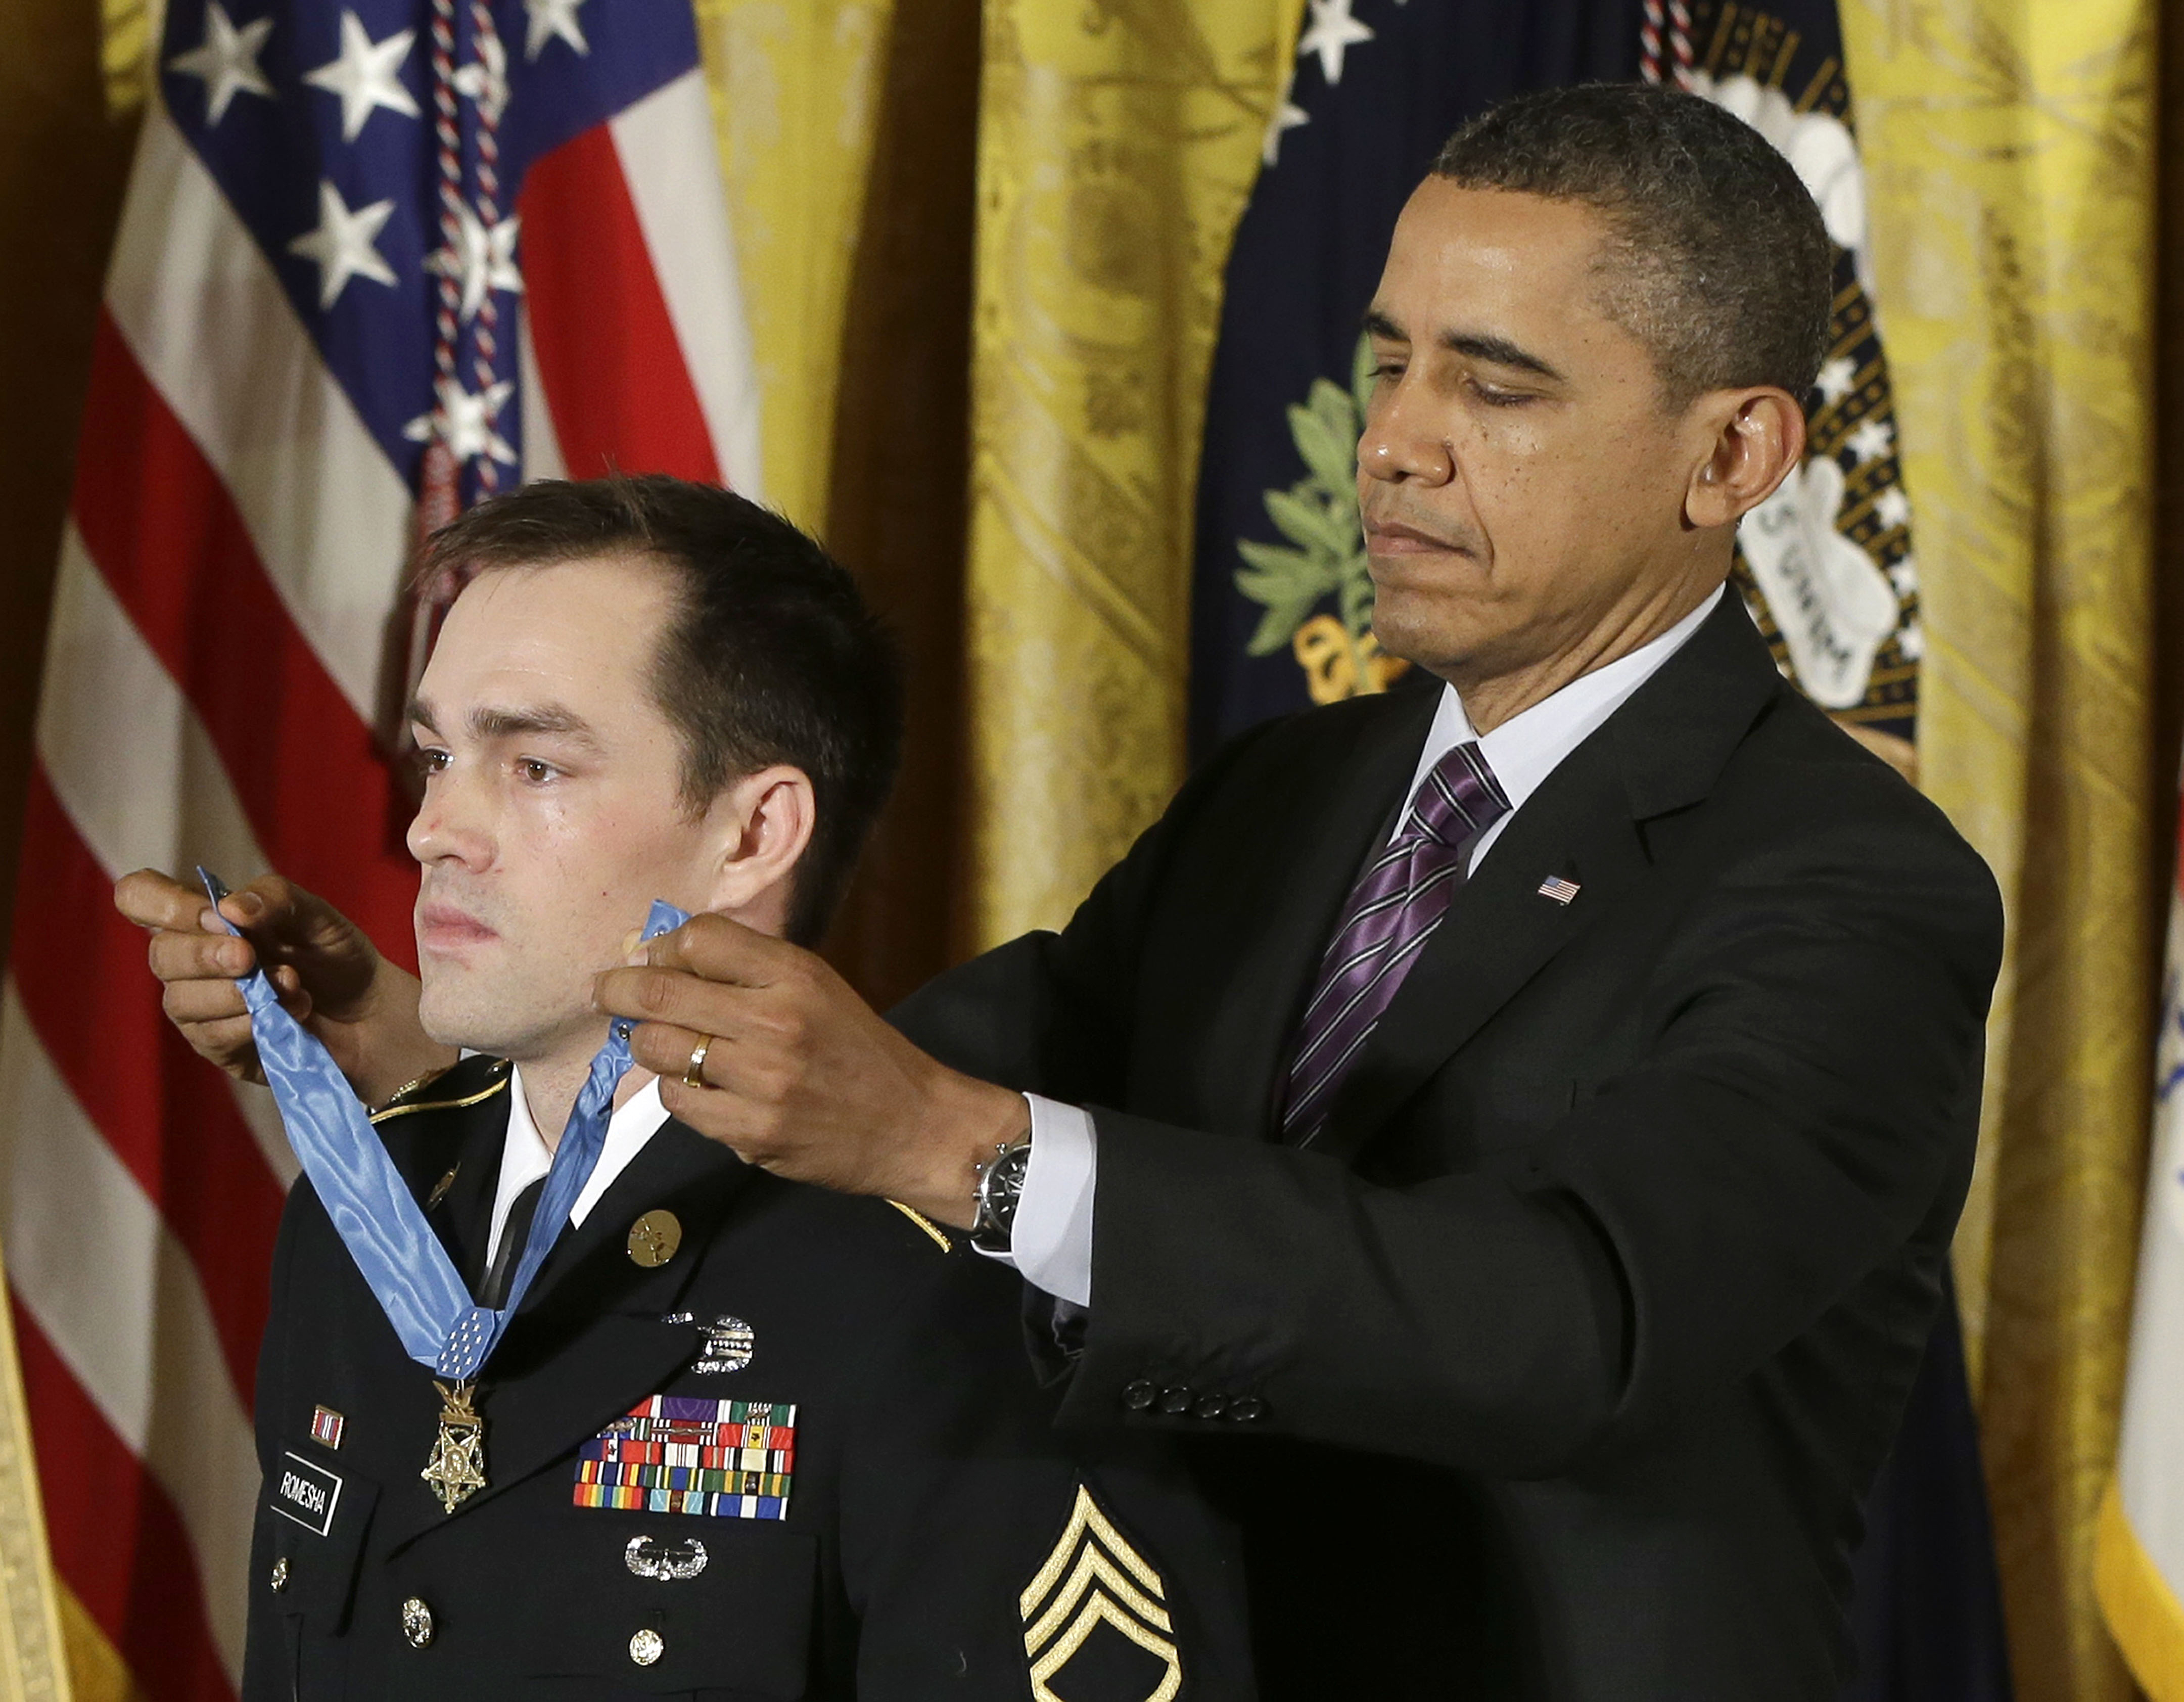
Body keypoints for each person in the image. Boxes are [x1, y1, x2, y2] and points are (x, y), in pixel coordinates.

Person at [147, 87, 2006, 1699]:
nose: (1395, 440)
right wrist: (440, 1065)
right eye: (1389, 362)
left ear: (1733, 455)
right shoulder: (1294, 792)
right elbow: (868, 1094)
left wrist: (963, 1150)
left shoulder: (1852, 887)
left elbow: (1577, 1323)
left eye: (1494, 384)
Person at [118, 476, 1254, 1701]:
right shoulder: (367, 1206)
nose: (434, 829)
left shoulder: (946, 1297)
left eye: (536, 765)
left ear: (753, 836)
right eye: (439, 756)